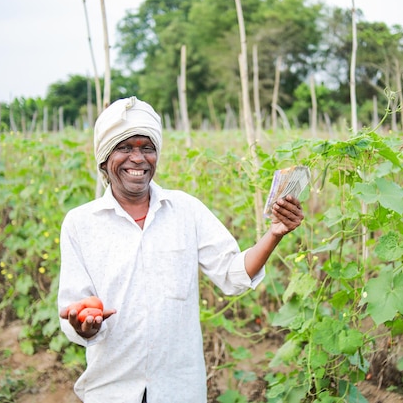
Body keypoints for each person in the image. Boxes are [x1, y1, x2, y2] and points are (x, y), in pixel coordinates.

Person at [57, 96, 304, 403]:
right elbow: (74, 310)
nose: (138, 158)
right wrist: (85, 325)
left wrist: (274, 233)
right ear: (105, 159)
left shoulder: (185, 210)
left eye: (146, 148)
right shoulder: (81, 224)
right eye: (124, 148)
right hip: (112, 388)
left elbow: (232, 274)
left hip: (178, 388)